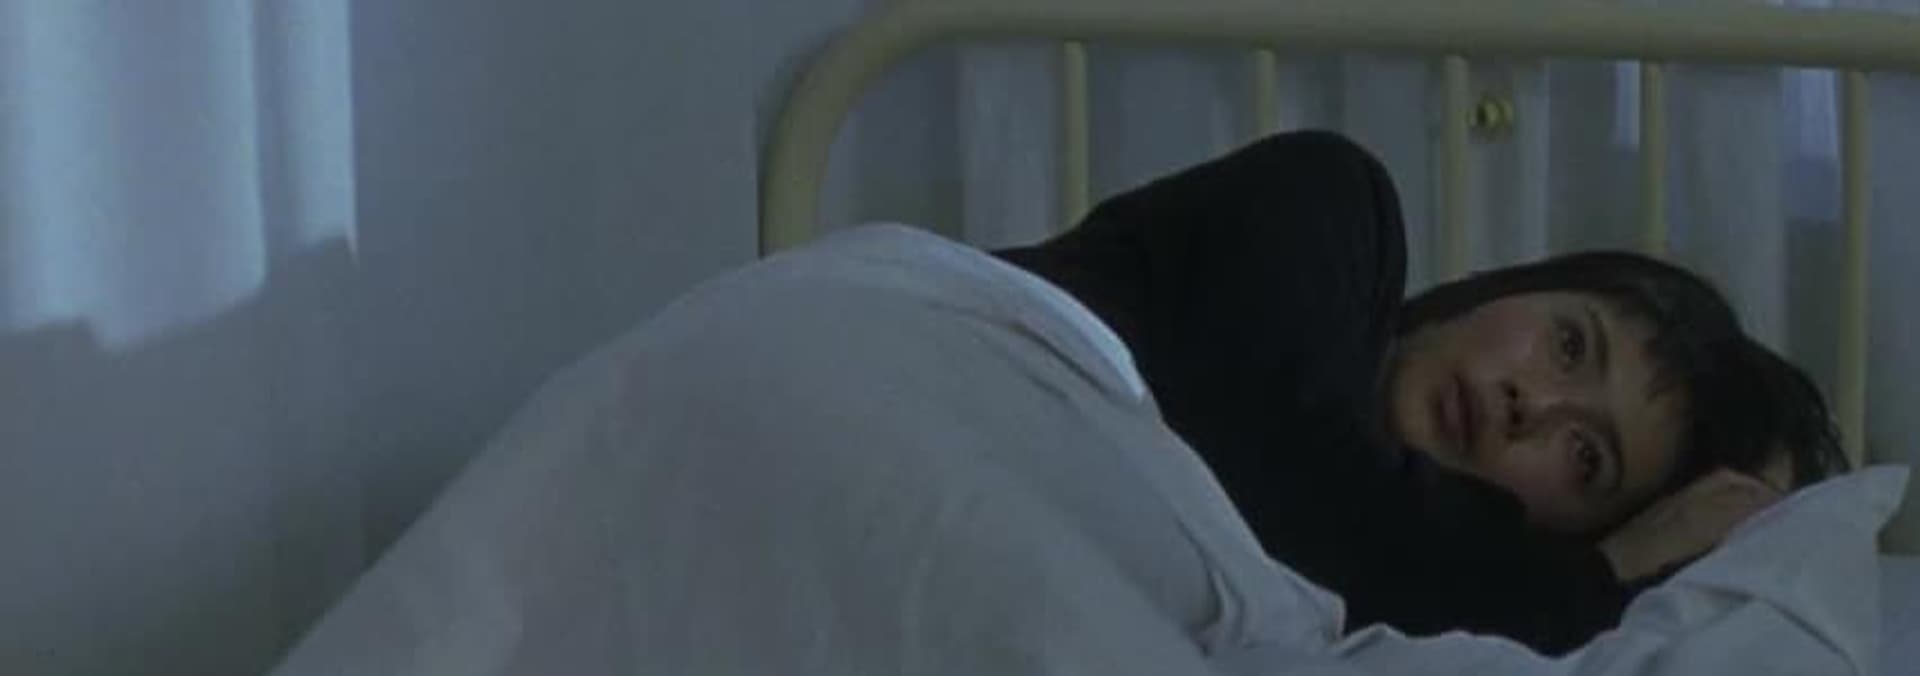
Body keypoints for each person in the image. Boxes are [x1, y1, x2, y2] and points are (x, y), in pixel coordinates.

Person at [994, 130, 1850, 654]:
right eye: (1568, 344)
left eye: (1586, 457)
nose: (1533, 405)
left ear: (1557, 535)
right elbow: (1297, 487)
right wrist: (1605, 574)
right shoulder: (1331, 205)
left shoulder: (1417, 608)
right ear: (1512, 287)